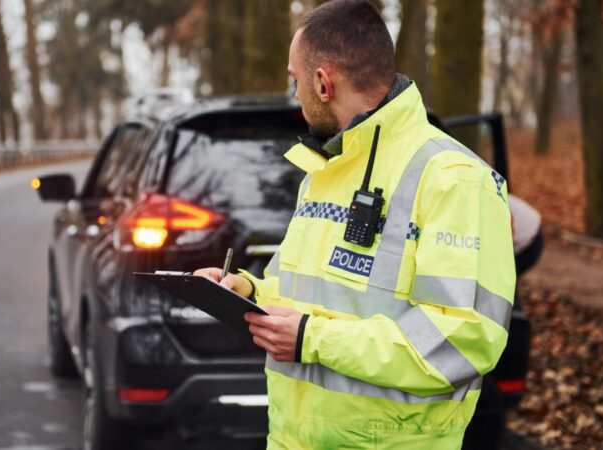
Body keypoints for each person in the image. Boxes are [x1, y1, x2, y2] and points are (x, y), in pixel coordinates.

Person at [194, 0, 516, 448]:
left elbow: (463, 339)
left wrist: (311, 338)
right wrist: (247, 290)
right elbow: (308, 295)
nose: (296, 94)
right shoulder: (325, 170)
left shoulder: (455, 180)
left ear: (323, 83)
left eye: (296, 81)